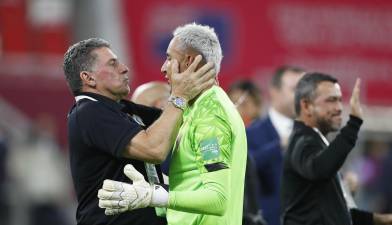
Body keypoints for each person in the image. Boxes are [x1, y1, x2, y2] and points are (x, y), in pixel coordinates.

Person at [97, 23, 247, 225]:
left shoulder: (210, 114)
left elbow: (218, 198)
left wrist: (154, 195)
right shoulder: (198, 108)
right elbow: (195, 184)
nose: (163, 67)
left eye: (169, 58)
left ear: (189, 61)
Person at [63, 37, 216, 225]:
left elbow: (182, 121)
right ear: (88, 77)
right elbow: (154, 149)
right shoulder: (88, 112)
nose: (124, 68)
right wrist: (180, 96)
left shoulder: (123, 110)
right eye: (113, 64)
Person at [281, 72, 392, 225]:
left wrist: (380, 220)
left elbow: (331, 213)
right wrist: (354, 124)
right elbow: (320, 169)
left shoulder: (317, 142)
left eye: (339, 100)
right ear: (306, 106)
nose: (339, 108)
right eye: (331, 100)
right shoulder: (303, 141)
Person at [246, 66, 304, 225]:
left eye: (305, 90)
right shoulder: (251, 133)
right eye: (294, 89)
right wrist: (278, 146)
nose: (301, 96)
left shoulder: (313, 134)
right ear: (274, 91)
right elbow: (244, 168)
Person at [228, 80, 267, 225]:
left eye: (243, 104)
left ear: (257, 107)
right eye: (233, 103)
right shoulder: (223, 135)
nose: (237, 109)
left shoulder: (266, 135)